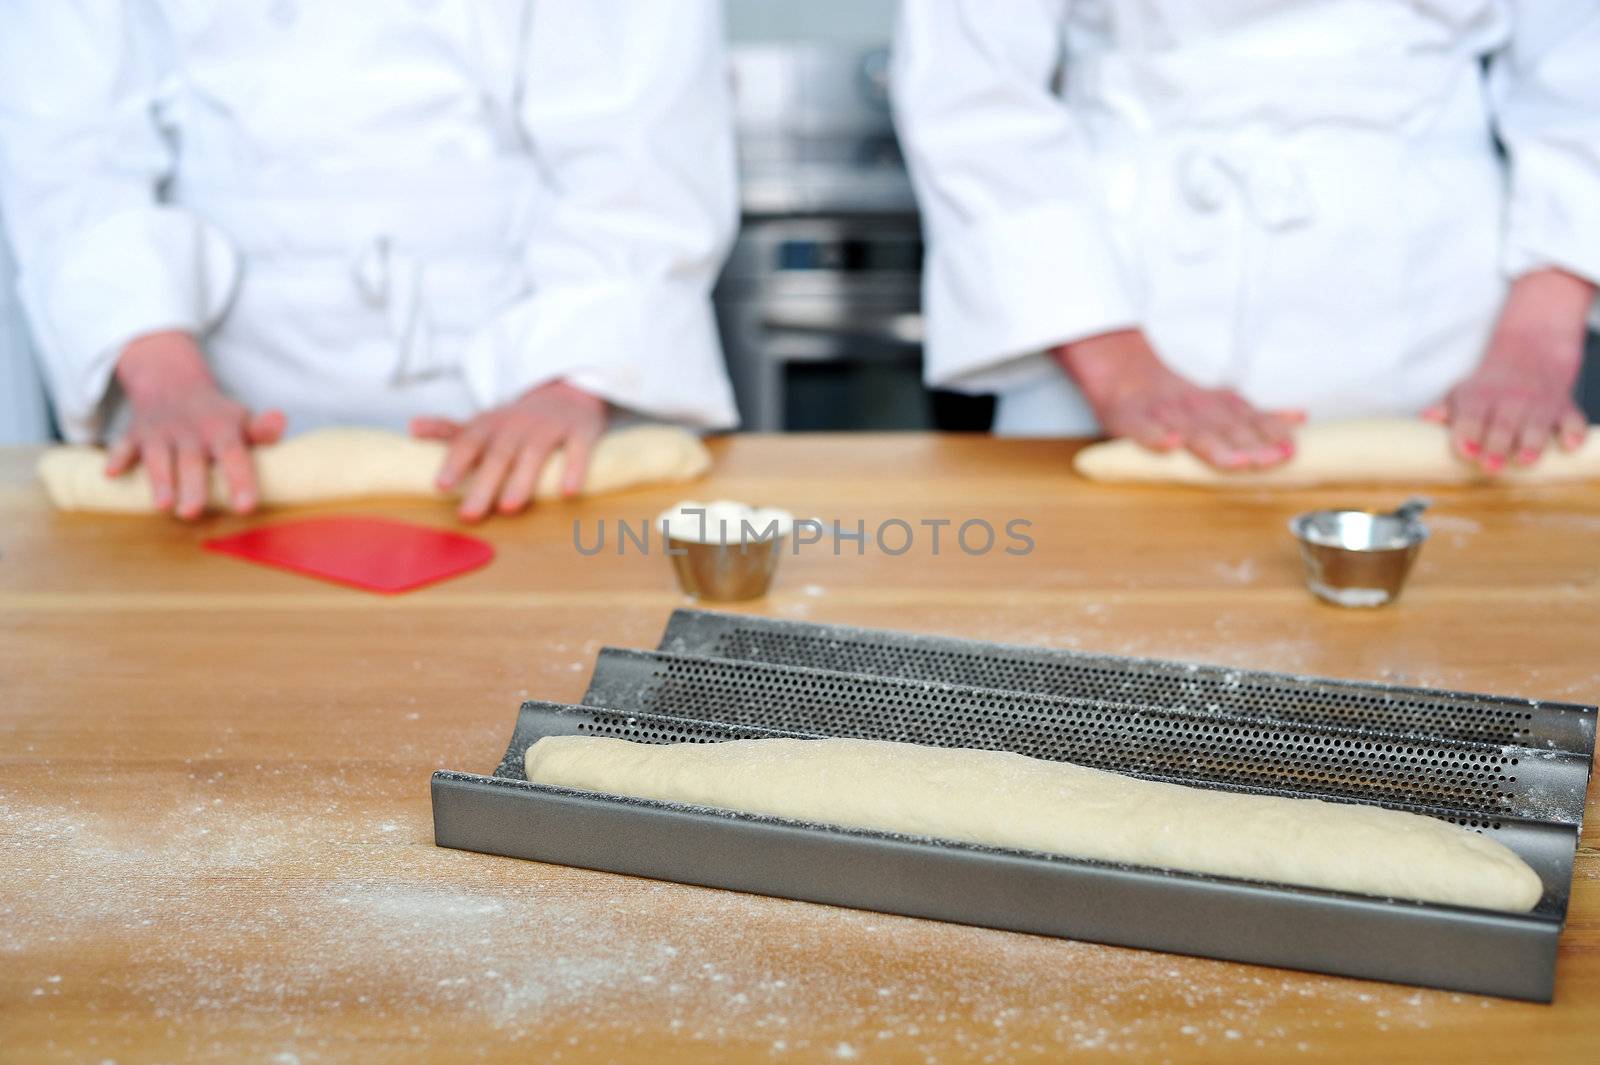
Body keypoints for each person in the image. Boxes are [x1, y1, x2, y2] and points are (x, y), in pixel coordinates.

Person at [0, 0, 739, 521]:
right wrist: (161, 373)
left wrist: (571, 380)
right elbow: (70, 144)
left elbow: (641, 145)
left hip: (521, 386)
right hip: (208, 405)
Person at [891, 0, 1600, 472]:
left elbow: (1583, 71)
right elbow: (970, 90)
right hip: (1112, 296)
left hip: (1448, 324)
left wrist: (1534, 342)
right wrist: (1114, 364)